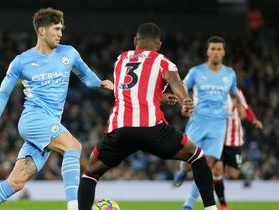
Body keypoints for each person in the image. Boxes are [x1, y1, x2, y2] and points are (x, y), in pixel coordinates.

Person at [0, 8, 113, 210]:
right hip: (33, 120)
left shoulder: (69, 53)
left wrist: (101, 83)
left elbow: (86, 77)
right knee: (73, 146)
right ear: (41, 30)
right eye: (56, 29)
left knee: (15, 183)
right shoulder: (21, 61)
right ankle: (74, 207)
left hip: (49, 124)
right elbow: (3, 94)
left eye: (62, 29)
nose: (61, 33)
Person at [78, 23, 218, 210]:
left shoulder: (121, 60)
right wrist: (184, 99)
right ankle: (211, 208)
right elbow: (174, 81)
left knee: (90, 173)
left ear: (135, 41)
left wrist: (157, 97)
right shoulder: (162, 61)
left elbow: (127, 91)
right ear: (158, 45)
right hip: (153, 130)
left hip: (120, 130)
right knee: (197, 157)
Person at [172, 36, 246, 210]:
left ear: (223, 52)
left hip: (219, 125)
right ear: (207, 51)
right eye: (212, 49)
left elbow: (234, 94)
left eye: (219, 49)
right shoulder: (196, 71)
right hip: (198, 121)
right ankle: (183, 171)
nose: (215, 52)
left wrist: (239, 106)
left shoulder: (229, 74)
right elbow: (180, 87)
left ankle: (188, 204)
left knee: (207, 165)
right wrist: (184, 104)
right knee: (189, 163)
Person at [212, 88, 263, 210]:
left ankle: (221, 173)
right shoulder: (213, 92)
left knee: (233, 174)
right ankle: (223, 204)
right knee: (217, 171)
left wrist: (254, 120)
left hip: (234, 141)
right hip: (217, 140)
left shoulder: (237, 92)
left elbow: (245, 109)